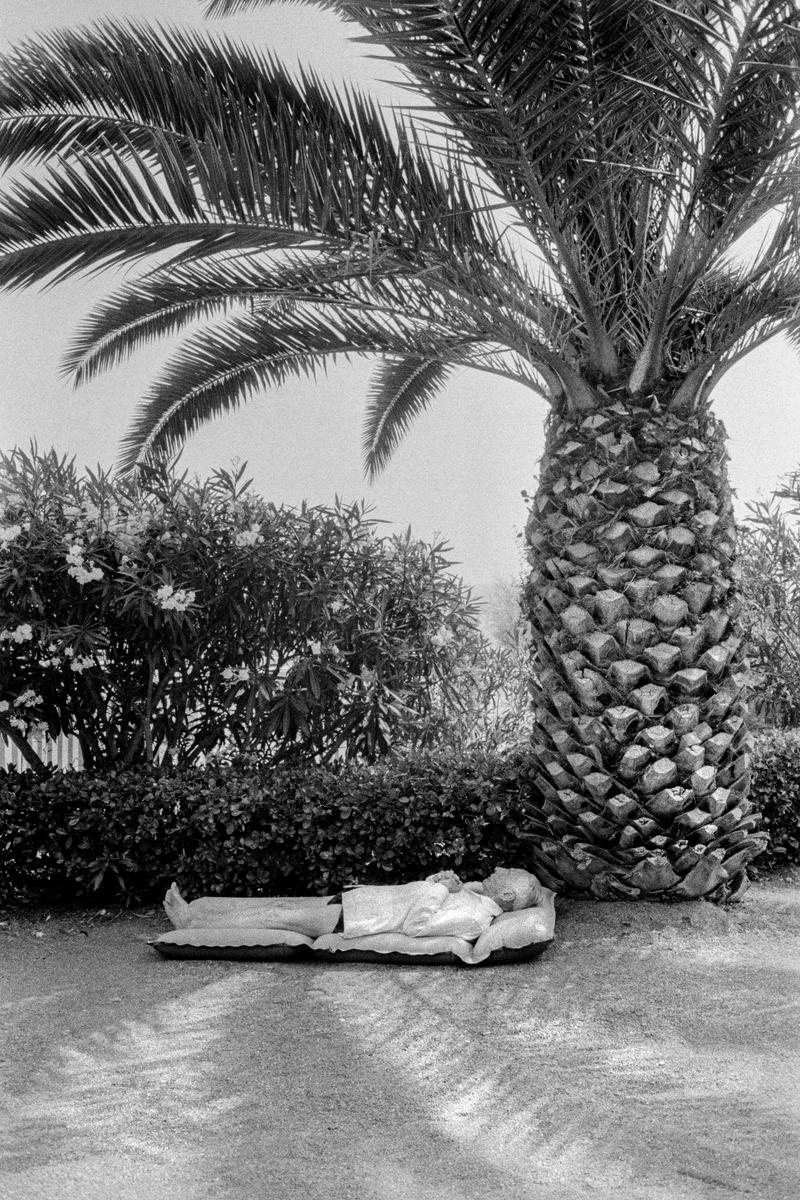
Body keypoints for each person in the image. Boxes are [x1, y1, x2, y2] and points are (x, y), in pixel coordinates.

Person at [163, 866, 543, 942]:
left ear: (507, 896)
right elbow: (421, 897)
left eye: (506, 871)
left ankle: (190, 925)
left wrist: (440, 889)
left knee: (276, 916)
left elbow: (417, 926)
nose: (497, 867)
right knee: (277, 903)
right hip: (364, 900)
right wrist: (443, 883)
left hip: (359, 919)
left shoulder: (476, 917)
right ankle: (202, 910)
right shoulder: (475, 896)